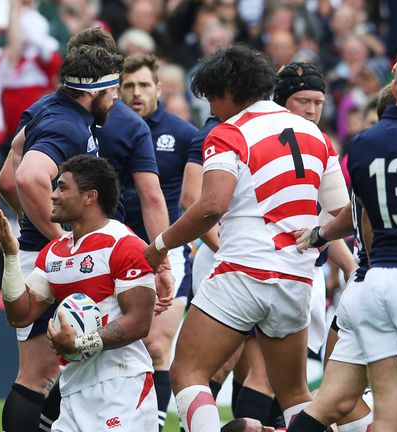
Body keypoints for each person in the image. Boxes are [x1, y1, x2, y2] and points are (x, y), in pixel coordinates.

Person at [143, 45, 348, 430]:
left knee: (187, 373)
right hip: (297, 280)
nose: (212, 110)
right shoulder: (317, 136)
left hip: (243, 273)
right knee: (296, 396)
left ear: (226, 92)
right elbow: (345, 215)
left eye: (212, 99)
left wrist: (159, 246)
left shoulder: (229, 133)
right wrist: (315, 237)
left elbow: (210, 206)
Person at [295, 46, 397, 431]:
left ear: (396, 81)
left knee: (385, 416)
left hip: (374, 279)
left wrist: (319, 234)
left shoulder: (362, 144)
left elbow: (363, 219)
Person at [0, 42, 124, 432]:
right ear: (94, 91)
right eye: (113, 90)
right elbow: (26, 178)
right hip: (55, 259)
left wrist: (34, 225)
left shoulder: (45, 108)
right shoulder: (66, 124)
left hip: (45, 253)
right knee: (38, 375)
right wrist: (59, 241)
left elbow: (6, 179)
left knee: (45, 372)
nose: (116, 99)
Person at [0, 155, 158, 431]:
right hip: (72, 390)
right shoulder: (55, 252)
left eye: (62, 188)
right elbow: (20, 315)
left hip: (121, 387)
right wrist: (11, 256)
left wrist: (79, 344)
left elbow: (140, 322)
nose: (54, 195)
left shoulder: (125, 244)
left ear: (90, 197)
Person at [119, 52, 198, 431]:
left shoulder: (184, 135)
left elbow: (196, 197)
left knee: (155, 345)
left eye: (144, 85)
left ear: (159, 88)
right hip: (114, 250)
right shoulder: (105, 130)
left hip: (167, 251)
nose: (136, 93)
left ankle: (154, 425)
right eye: (128, 86)